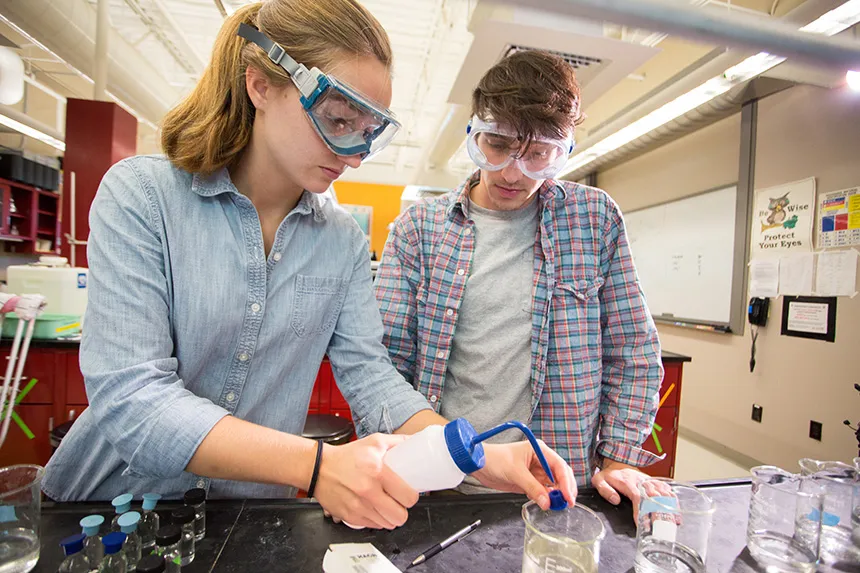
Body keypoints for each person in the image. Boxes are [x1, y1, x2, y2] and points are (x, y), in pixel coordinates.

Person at [42, 0, 576, 529]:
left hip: (244, 519)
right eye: (339, 118)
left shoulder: (341, 240)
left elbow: (371, 377)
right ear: (261, 86)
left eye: (368, 130)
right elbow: (134, 399)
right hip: (100, 513)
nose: (353, 152)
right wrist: (318, 466)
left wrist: (479, 455)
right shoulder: (143, 196)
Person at [374, 50, 663, 510]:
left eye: (537, 155)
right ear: (475, 133)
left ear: (563, 152)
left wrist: (618, 458)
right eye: (498, 146)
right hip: (445, 485)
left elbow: (634, 349)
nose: (512, 173)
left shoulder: (595, 219)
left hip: (561, 483)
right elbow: (385, 365)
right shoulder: (419, 231)